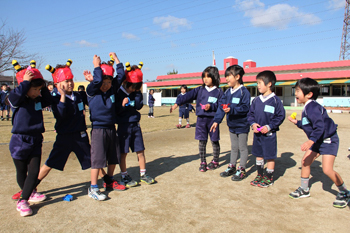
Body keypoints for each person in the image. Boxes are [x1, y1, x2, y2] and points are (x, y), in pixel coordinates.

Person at [288, 78, 350, 208]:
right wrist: (297, 123)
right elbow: (308, 125)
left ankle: (345, 192)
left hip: (328, 140)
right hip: (317, 140)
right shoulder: (307, 107)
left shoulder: (313, 107)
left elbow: (319, 127)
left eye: (298, 91)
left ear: (309, 94)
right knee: (305, 161)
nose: (296, 93)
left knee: (327, 169)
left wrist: (310, 141)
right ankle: (304, 189)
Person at [34, 60, 92, 194]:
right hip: (64, 137)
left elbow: (94, 93)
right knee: (50, 163)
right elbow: (60, 114)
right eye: (66, 81)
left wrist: (92, 81)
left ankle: (107, 179)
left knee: (91, 160)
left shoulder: (78, 96)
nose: (70, 83)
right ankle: (30, 187)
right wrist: (62, 96)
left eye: (71, 80)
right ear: (58, 84)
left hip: (80, 136)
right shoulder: (54, 98)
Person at [9, 60, 51, 216]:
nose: (37, 93)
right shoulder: (18, 100)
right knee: (21, 171)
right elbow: (15, 97)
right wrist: (25, 82)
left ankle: (24, 199)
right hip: (19, 141)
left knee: (33, 171)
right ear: (25, 88)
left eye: (39, 89)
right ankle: (26, 194)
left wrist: (43, 86)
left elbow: (48, 100)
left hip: (36, 139)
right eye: (34, 89)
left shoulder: (38, 100)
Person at [84, 53, 126, 201]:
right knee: (97, 159)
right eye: (103, 82)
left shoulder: (111, 90)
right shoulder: (92, 90)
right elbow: (96, 82)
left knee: (113, 156)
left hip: (111, 128)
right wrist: (96, 66)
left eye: (108, 82)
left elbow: (121, 75)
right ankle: (93, 187)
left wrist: (116, 60)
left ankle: (109, 181)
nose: (105, 85)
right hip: (98, 129)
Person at [170, 66, 223, 172]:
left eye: (208, 77)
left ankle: (215, 161)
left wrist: (211, 106)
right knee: (202, 141)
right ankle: (203, 161)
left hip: (213, 120)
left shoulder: (219, 91)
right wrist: (177, 103)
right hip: (201, 120)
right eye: (204, 77)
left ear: (215, 77)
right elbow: (187, 96)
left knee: (214, 141)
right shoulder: (200, 89)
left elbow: (221, 105)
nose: (205, 79)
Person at [116, 61, 155, 187]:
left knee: (140, 150)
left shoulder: (135, 92)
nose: (134, 89)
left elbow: (138, 106)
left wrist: (137, 92)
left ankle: (143, 174)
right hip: (123, 126)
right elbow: (116, 111)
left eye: (137, 87)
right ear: (126, 82)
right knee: (123, 152)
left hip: (135, 125)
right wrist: (122, 105)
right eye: (133, 87)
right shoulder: (118, 93)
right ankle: (124, 175)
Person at [210, 65, 251, 180]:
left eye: (229, 76)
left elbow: (245, 108)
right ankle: (232, 166)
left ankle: (241, 169)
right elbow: (221, 106)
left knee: (242, 147)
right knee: (233, 147)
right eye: (225, 76)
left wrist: (233, 109)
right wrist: (217, 120)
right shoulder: (227, 92)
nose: (226, 79)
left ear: (237, 77)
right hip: (231, 125)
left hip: (242, 125)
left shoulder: (244, 92)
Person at [247, 70, 285, 188]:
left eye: (260, 83)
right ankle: (259, 175)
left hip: (269, 135)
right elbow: (250, 114)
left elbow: (280, 116)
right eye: (257, 83)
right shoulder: (256, 100)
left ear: (269, 84)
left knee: (269, 156)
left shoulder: (275, 101)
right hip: (257, 135)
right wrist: (253, 124)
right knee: (258, 154)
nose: (258, 85)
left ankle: (269, 178)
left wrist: (269, 127)